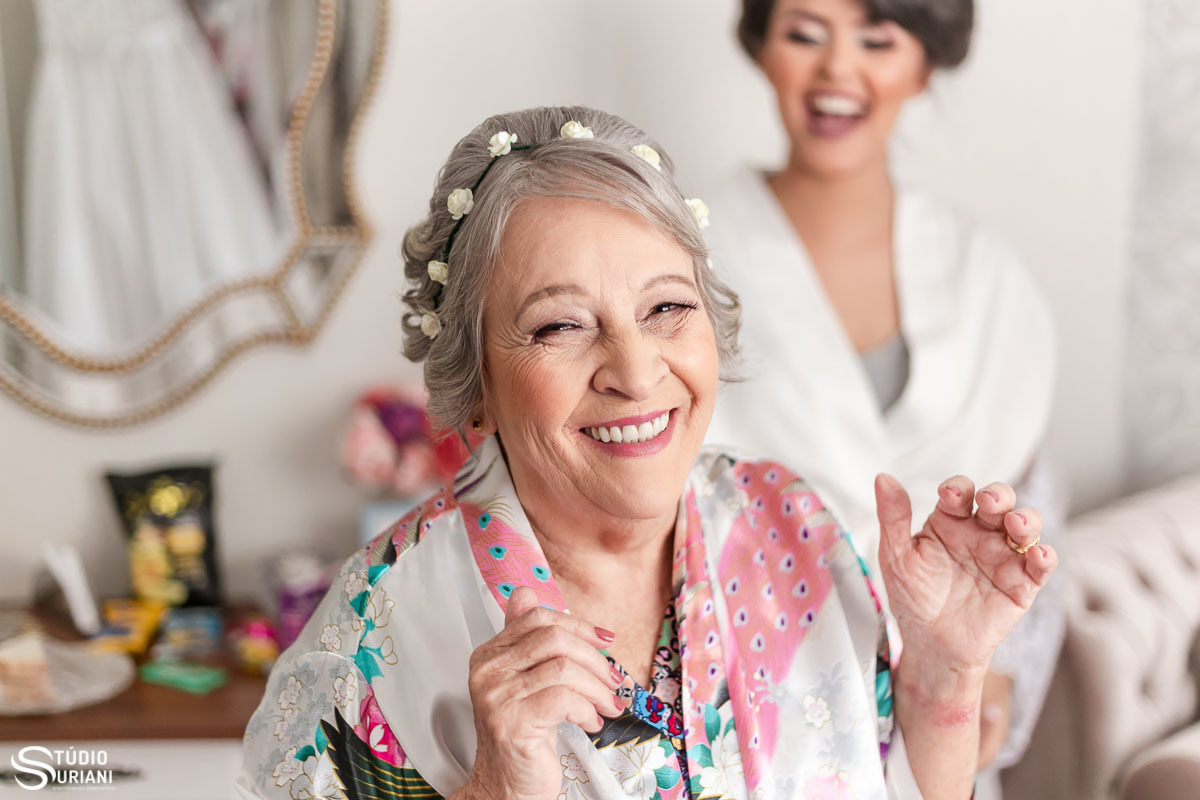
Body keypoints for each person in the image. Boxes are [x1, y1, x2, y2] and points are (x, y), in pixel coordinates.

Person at [238, 106, 1057, 800]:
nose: (636, 372)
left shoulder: (791, 524)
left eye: (667, 307)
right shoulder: (380, 626)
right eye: (561, 325)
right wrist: (498, 782)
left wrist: (947, 672)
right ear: (476, 382)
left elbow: (902, 781)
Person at [702, 1, 1064, 794]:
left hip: (952, 709)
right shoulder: (689, 262)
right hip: (747, 717)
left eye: (877, 39)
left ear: (925, 64)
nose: (838, 69)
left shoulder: (986, 274)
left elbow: (1036, 511)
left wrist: (989, 674)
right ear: (761, 48)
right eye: (804, 32)